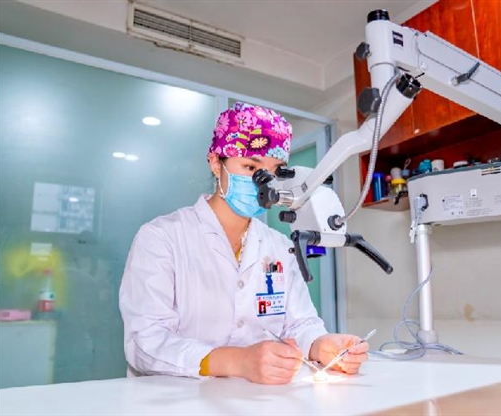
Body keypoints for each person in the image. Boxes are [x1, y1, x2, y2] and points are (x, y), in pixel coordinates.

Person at [119, 102, 368, 385]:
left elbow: (300, 324)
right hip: (176, 398)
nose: (264, 183)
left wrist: (320, 344)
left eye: (274, 172)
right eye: (251, 167)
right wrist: (237, 361)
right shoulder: (161, 238)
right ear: (216, 163)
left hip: (258, 399)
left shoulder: (279, 246)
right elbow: (145, 342)